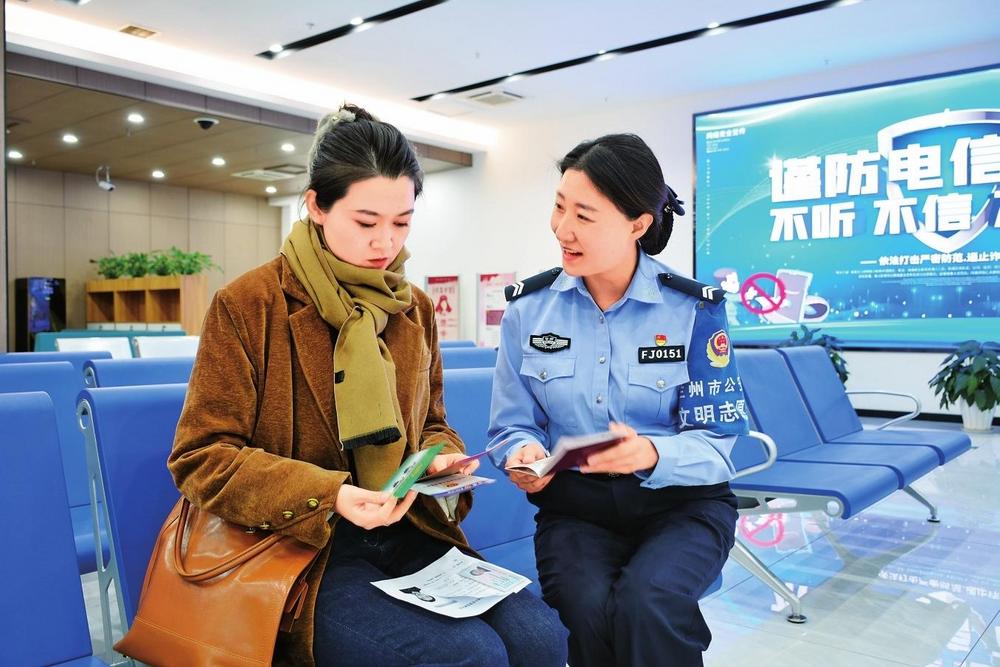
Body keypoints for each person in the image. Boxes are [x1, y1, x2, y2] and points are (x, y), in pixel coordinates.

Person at [169, 104, 567, 667]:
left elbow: (431, 423)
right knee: (466, 656)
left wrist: (439, 459)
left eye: (402, 222)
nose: (386, 242)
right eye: (366, 222)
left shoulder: (413, 308)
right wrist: (331, 493)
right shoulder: (249, 305)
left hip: (408, 530)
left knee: (541, 638)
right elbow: (201, 456)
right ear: (317, 206)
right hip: (302, 550)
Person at [488, 133, 750, 667]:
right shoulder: (527, 311)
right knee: (584, 610)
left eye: (584, 216)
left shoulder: (693, 310)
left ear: (638, 224)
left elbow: (719, 444)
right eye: (559, 207)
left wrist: (651, 453)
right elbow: (511, 425)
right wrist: (520, 453)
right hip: (576, 511)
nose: (563, 229)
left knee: (648, 603)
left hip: (683, 505)